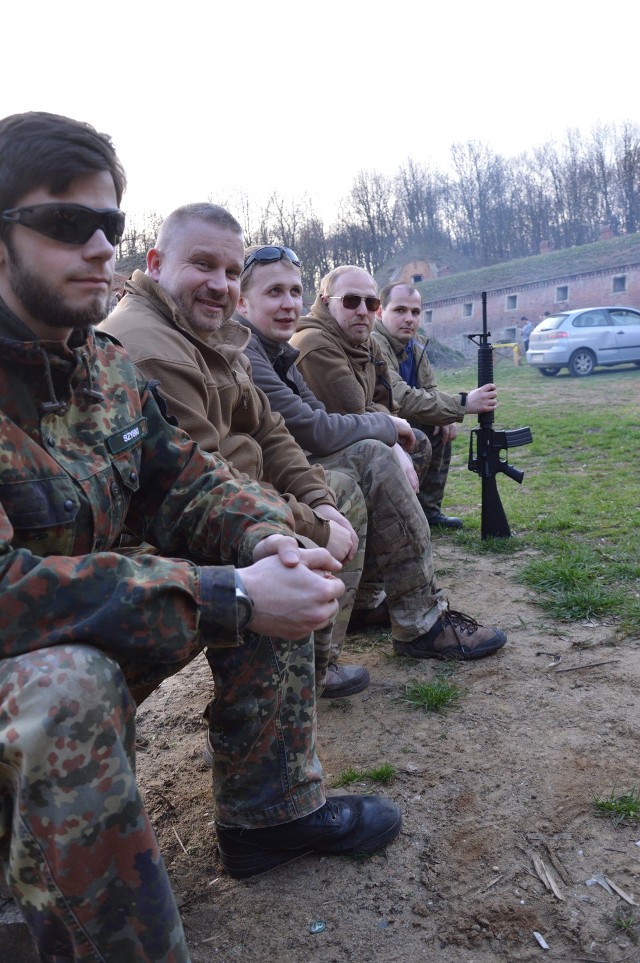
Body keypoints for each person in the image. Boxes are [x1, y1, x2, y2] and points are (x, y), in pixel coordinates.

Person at [0, 112, 401, 962]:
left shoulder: (97, 369)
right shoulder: (127, 345)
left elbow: (185, 476)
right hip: (32, 670)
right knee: (61, 689)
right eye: (67, 224)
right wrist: (235, 595)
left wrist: (268, 540)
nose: (99, 246)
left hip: (83, 632)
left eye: (109, 224)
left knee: (262, 553)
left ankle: (272, 814)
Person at [102, 203, 369, 699]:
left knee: (340, 493)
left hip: (240, 499)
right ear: (156, 263)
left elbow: (269, 427)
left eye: (230, 271)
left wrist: (319, 500)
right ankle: (268, 749)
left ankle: (314, 670)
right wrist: (310, 525)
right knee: (281, 561)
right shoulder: (151, 346)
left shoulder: (211, 333)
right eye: (202, 264)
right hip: (174, 529)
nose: (220, 284)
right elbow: (200, 482)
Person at [237, 247, 508, 663]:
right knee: (374, 458)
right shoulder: (300, 345)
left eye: (294, 291)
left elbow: (381, 401)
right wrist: (389, 430)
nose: (288, 303)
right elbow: (321, 425)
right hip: (254, 480)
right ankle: (421, 620)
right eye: (274, 292)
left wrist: (397, 423)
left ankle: (373, 604)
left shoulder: (280, 351)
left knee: (399, 445)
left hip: (283, 463)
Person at [371, 281, 498, 529]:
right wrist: (463, 404)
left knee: (443, 426)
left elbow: (429, 389)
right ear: (380, 312)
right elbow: (400, 398)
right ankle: (402, 514)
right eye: (400, 310)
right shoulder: (375, 343)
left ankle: (429, 510)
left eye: (415, 312)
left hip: (401, 418)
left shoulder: (416, 344)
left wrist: (447, 415)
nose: (409, 319)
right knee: (435, 422)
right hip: (378, 419)